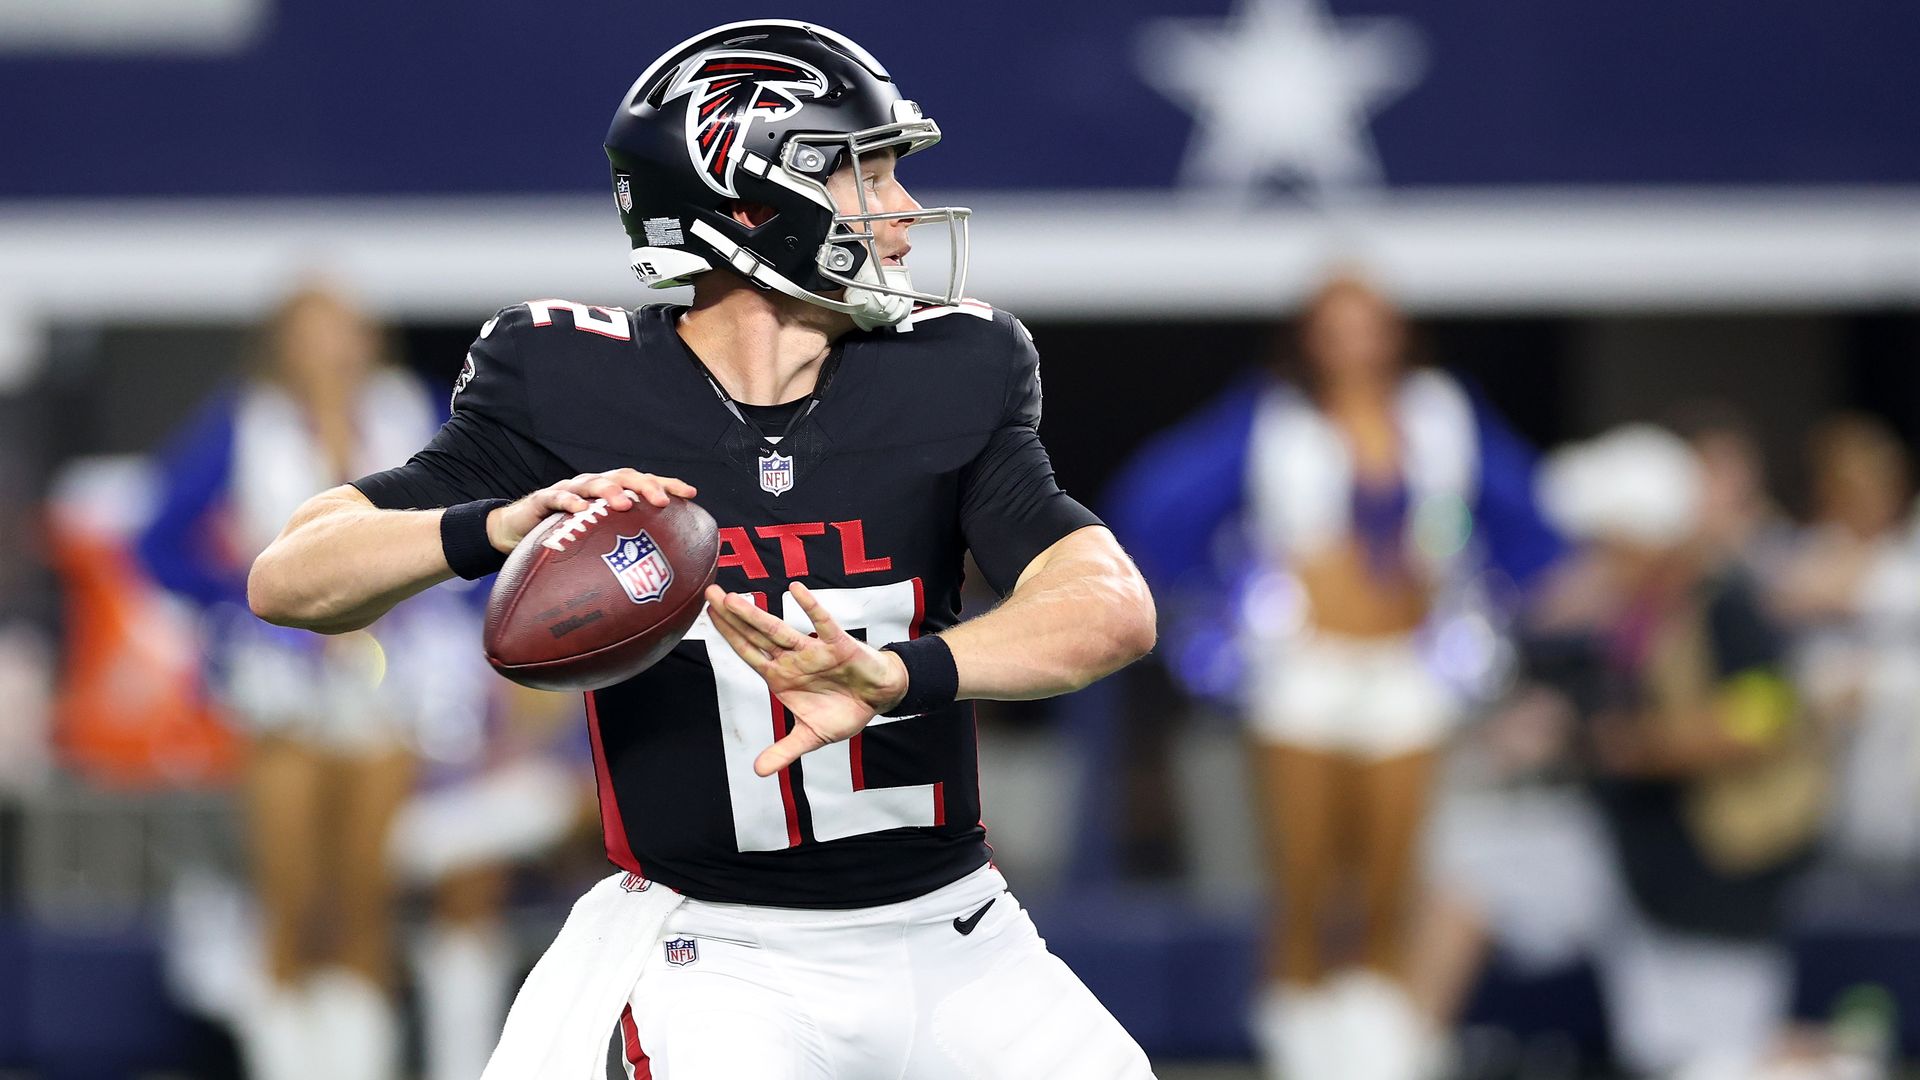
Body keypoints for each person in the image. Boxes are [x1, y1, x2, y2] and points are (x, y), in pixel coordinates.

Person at [247, 20, 1158, 1080]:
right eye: (868, 174)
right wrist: (500, 523)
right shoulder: (570, 384)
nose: (903, 216)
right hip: (721, 953)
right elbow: (290, 575)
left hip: (958, 933)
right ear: (750, 204)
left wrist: (904, 674)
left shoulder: (949, 371)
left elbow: (1111, 605)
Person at [140, 285, 490, 1080]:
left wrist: (442, 600)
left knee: (366, 903)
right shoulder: (245, 421)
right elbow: (157, 540)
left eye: (350, 328)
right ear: (282, 344)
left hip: (404, 689)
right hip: (282, 688)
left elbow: (487, 517)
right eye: (316, 330)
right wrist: (243, 595)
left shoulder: (419, 411)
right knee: (293, 905)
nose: (337, 345)